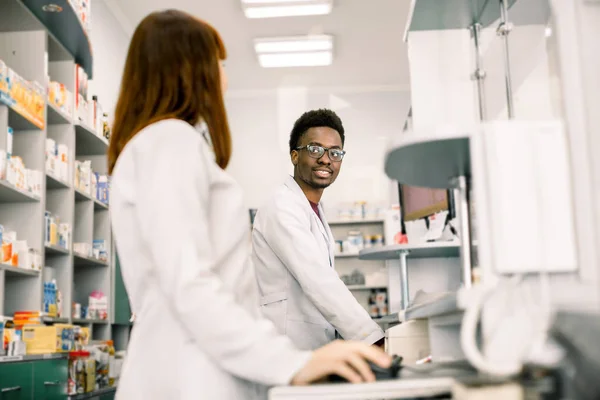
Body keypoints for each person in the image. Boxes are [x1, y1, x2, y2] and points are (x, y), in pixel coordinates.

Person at [107, 9, 391, 400]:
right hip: (186, 377)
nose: (224, 73)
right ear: (191, 69)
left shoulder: (163, 145)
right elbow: (191, 286)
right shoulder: (170, 142)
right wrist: (293, 362)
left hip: (204, 366)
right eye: (218, 61)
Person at [251, 109, 385, 351]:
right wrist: (372, 338)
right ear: (294, 155)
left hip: (310, 344)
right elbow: (318, 278)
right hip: (286, 345)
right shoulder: (282, 206)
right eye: (315, 149)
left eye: (335, 153)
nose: (326, 159)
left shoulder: (312, 209)